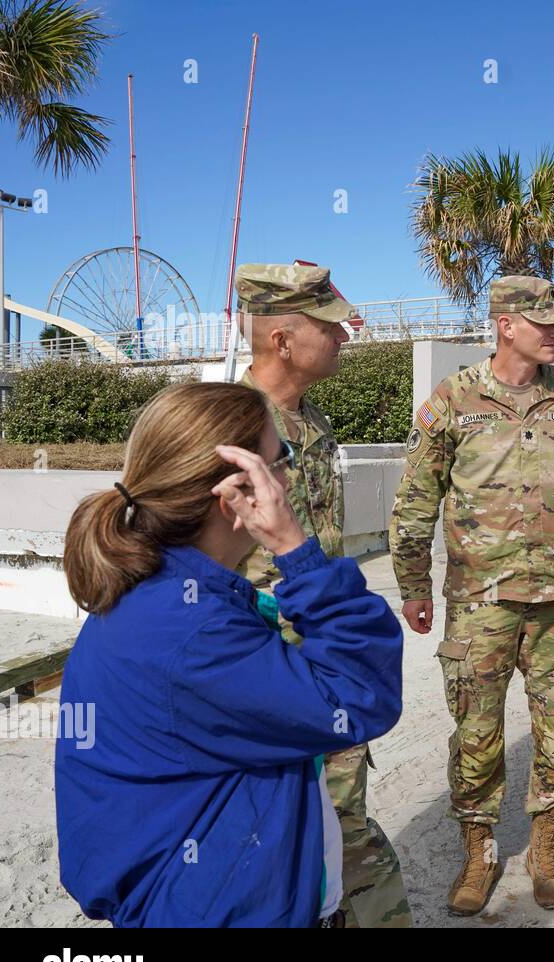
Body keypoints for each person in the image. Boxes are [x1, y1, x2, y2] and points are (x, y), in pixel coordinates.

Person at [56, 382, 403, 927]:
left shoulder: (166, 597)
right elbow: (361, 697)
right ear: (237, 496)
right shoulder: (192, 634)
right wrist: (297, 551)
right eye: (279, 461)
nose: (288, 478)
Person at [390, 275, 554, 916]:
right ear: (505, 325)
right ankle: (479, 850)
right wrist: (414, 585)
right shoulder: (455, 399)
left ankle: (545, 847)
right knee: (476, 732)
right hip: (479, 602)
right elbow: (415, 500)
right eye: (543, 322)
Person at [234, 262, 411, 928]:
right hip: (260, 680)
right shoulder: (223, 425)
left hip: (322, 668)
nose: (346, 338)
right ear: (282, 339)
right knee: (296, 842)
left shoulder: (312, 423)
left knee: (339, 829)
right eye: (329, 327)